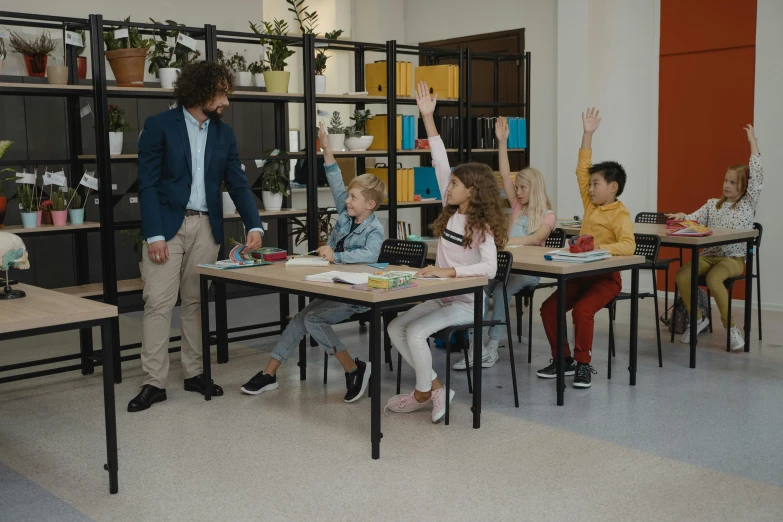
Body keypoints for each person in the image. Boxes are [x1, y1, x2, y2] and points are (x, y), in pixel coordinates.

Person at [128, 61, 264, 412]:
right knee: (158, 303)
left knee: (195, 302)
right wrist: (154, 234)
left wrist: (254, 225)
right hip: (166, 230)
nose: (226, 102)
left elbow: (237, 182)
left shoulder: (224, 133)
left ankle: (194, 373)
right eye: (221, 94)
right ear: (201, 93)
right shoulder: (159, 126)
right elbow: (148, 185)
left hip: (207, 228)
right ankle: (153, 382)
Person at [386, 81, 508, 423]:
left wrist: (448, 273)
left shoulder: (482, 227)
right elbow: (440, 159)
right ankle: (435, 388)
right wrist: (427, 117)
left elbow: (489, 270)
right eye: (450, 182)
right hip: (443, 297)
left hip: (468, 302)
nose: (448, 186)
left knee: (414, 332)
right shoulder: (453, 209)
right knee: (395, 327)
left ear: (472, 191)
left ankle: (424, 392)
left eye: (455, 183)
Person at [239, 122, 386, 402]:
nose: (348, 201)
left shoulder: (374, 229)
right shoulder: (347, 212)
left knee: (312, 319)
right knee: (300, 320)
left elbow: (371, 256)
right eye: (350, 196)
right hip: (332, 285)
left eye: (354, 198)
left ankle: (354, 369)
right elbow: (334, 179)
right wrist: (326, 148)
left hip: (355, 294)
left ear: (371, 205)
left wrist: (336, 255)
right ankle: (269, 373)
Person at [537, 107, 635, 389]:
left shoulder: (620, 214)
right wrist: (587, 135)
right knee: (549, 308)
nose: (590, 189)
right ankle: (563, 359)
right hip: (580, 274)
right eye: (590, 185)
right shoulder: (591, 204)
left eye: (596, 184)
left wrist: (598, 251)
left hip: (606, 278)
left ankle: (583, 364)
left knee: (582, 311)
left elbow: (629, 245)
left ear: (613, 187)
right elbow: (582, 169)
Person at [453, 116, 556, 370]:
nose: (517, 192)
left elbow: (535, 238)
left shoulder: (548, 215)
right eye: (517, 188)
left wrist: (504, 241)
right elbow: (503, 174)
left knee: (500, 291)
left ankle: (492, 346)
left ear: (535, 188)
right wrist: (502, 142)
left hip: (529, 273)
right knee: (478, 287)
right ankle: (473, 345)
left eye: (522, 188)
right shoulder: (518, 206)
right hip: (505, 267)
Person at [666, 124, 762, 350]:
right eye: (726, 181)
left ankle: (731, 329)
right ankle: (698, 318)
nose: (727, 185)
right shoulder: (712, 204)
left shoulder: (748, 203)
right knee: (682, 275)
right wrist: (682, 216)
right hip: (709, 255)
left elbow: (757, 175)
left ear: (745, 186)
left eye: (733, 182)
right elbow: (693, 219)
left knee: (714, 280)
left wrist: (753, 143)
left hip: (733, 259)